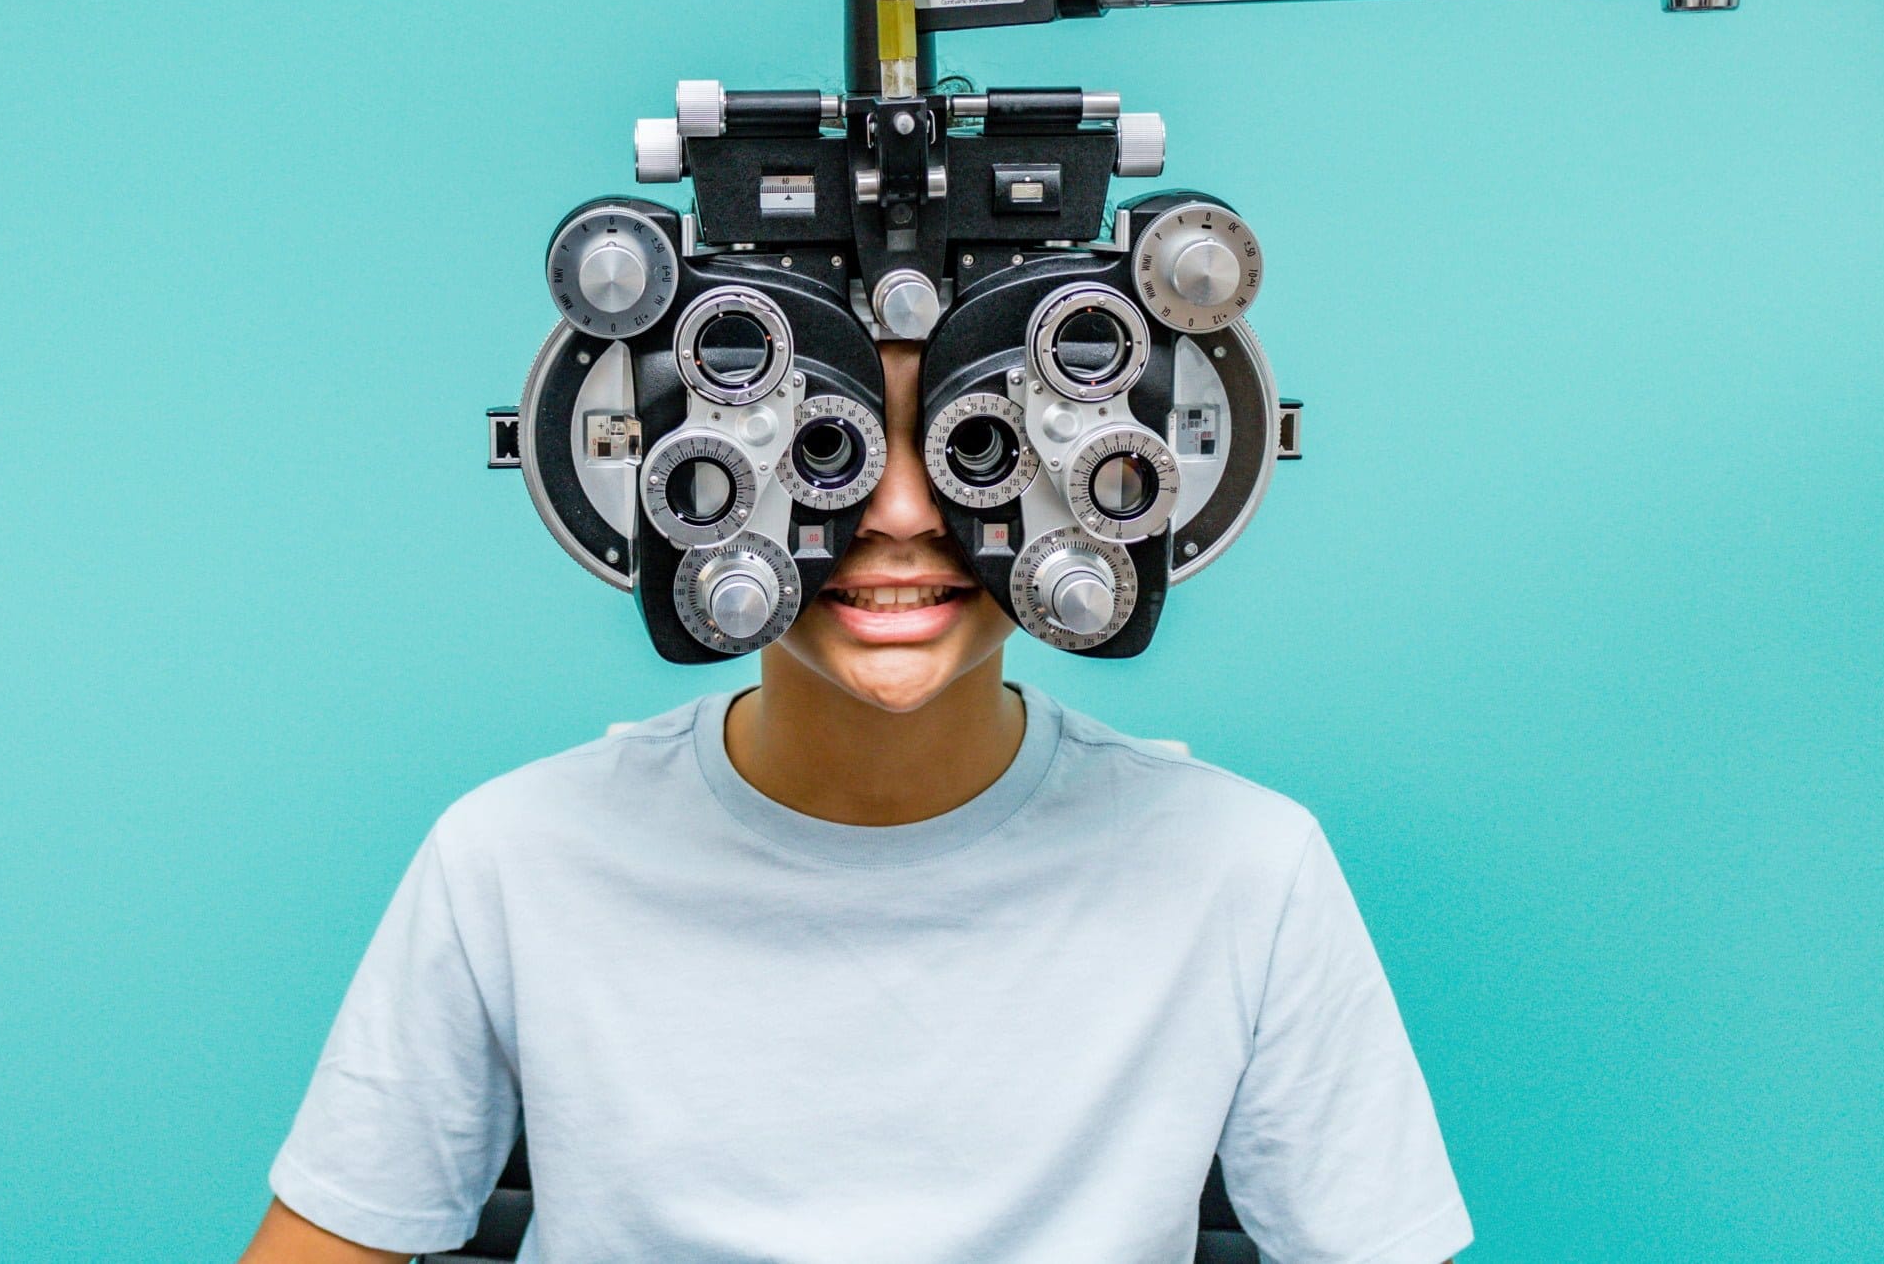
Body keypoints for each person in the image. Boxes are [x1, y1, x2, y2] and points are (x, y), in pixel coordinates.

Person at [239, 342, 1469, 1264]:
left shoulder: (1241, 866)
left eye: (970, 449)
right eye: (825, 451)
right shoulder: (513, 855)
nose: (898, 514)